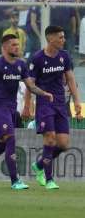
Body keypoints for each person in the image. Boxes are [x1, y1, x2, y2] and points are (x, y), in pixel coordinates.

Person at [0, 34, 53, 190]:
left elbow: (31, 86)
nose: (17, 47)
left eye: (18, 44)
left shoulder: (21, 65)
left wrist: (44, 93)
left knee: (3, 145)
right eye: (14, 45)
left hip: (12, 109)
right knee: (11, 139)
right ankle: (15, 180)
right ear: (5, 46)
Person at [23, 25, 83, 190]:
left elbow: (70, 79)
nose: (63, 40)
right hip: (44, 104)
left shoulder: (64, 56)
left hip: (61, 104)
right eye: (60, 37)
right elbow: (30, 84)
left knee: (63, 144)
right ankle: (49, 179)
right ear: (50, 38)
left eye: (64, 37)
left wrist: (77, 101)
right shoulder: (37, 58)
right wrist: (27, 105)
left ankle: (40, 165)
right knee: (50, 138)